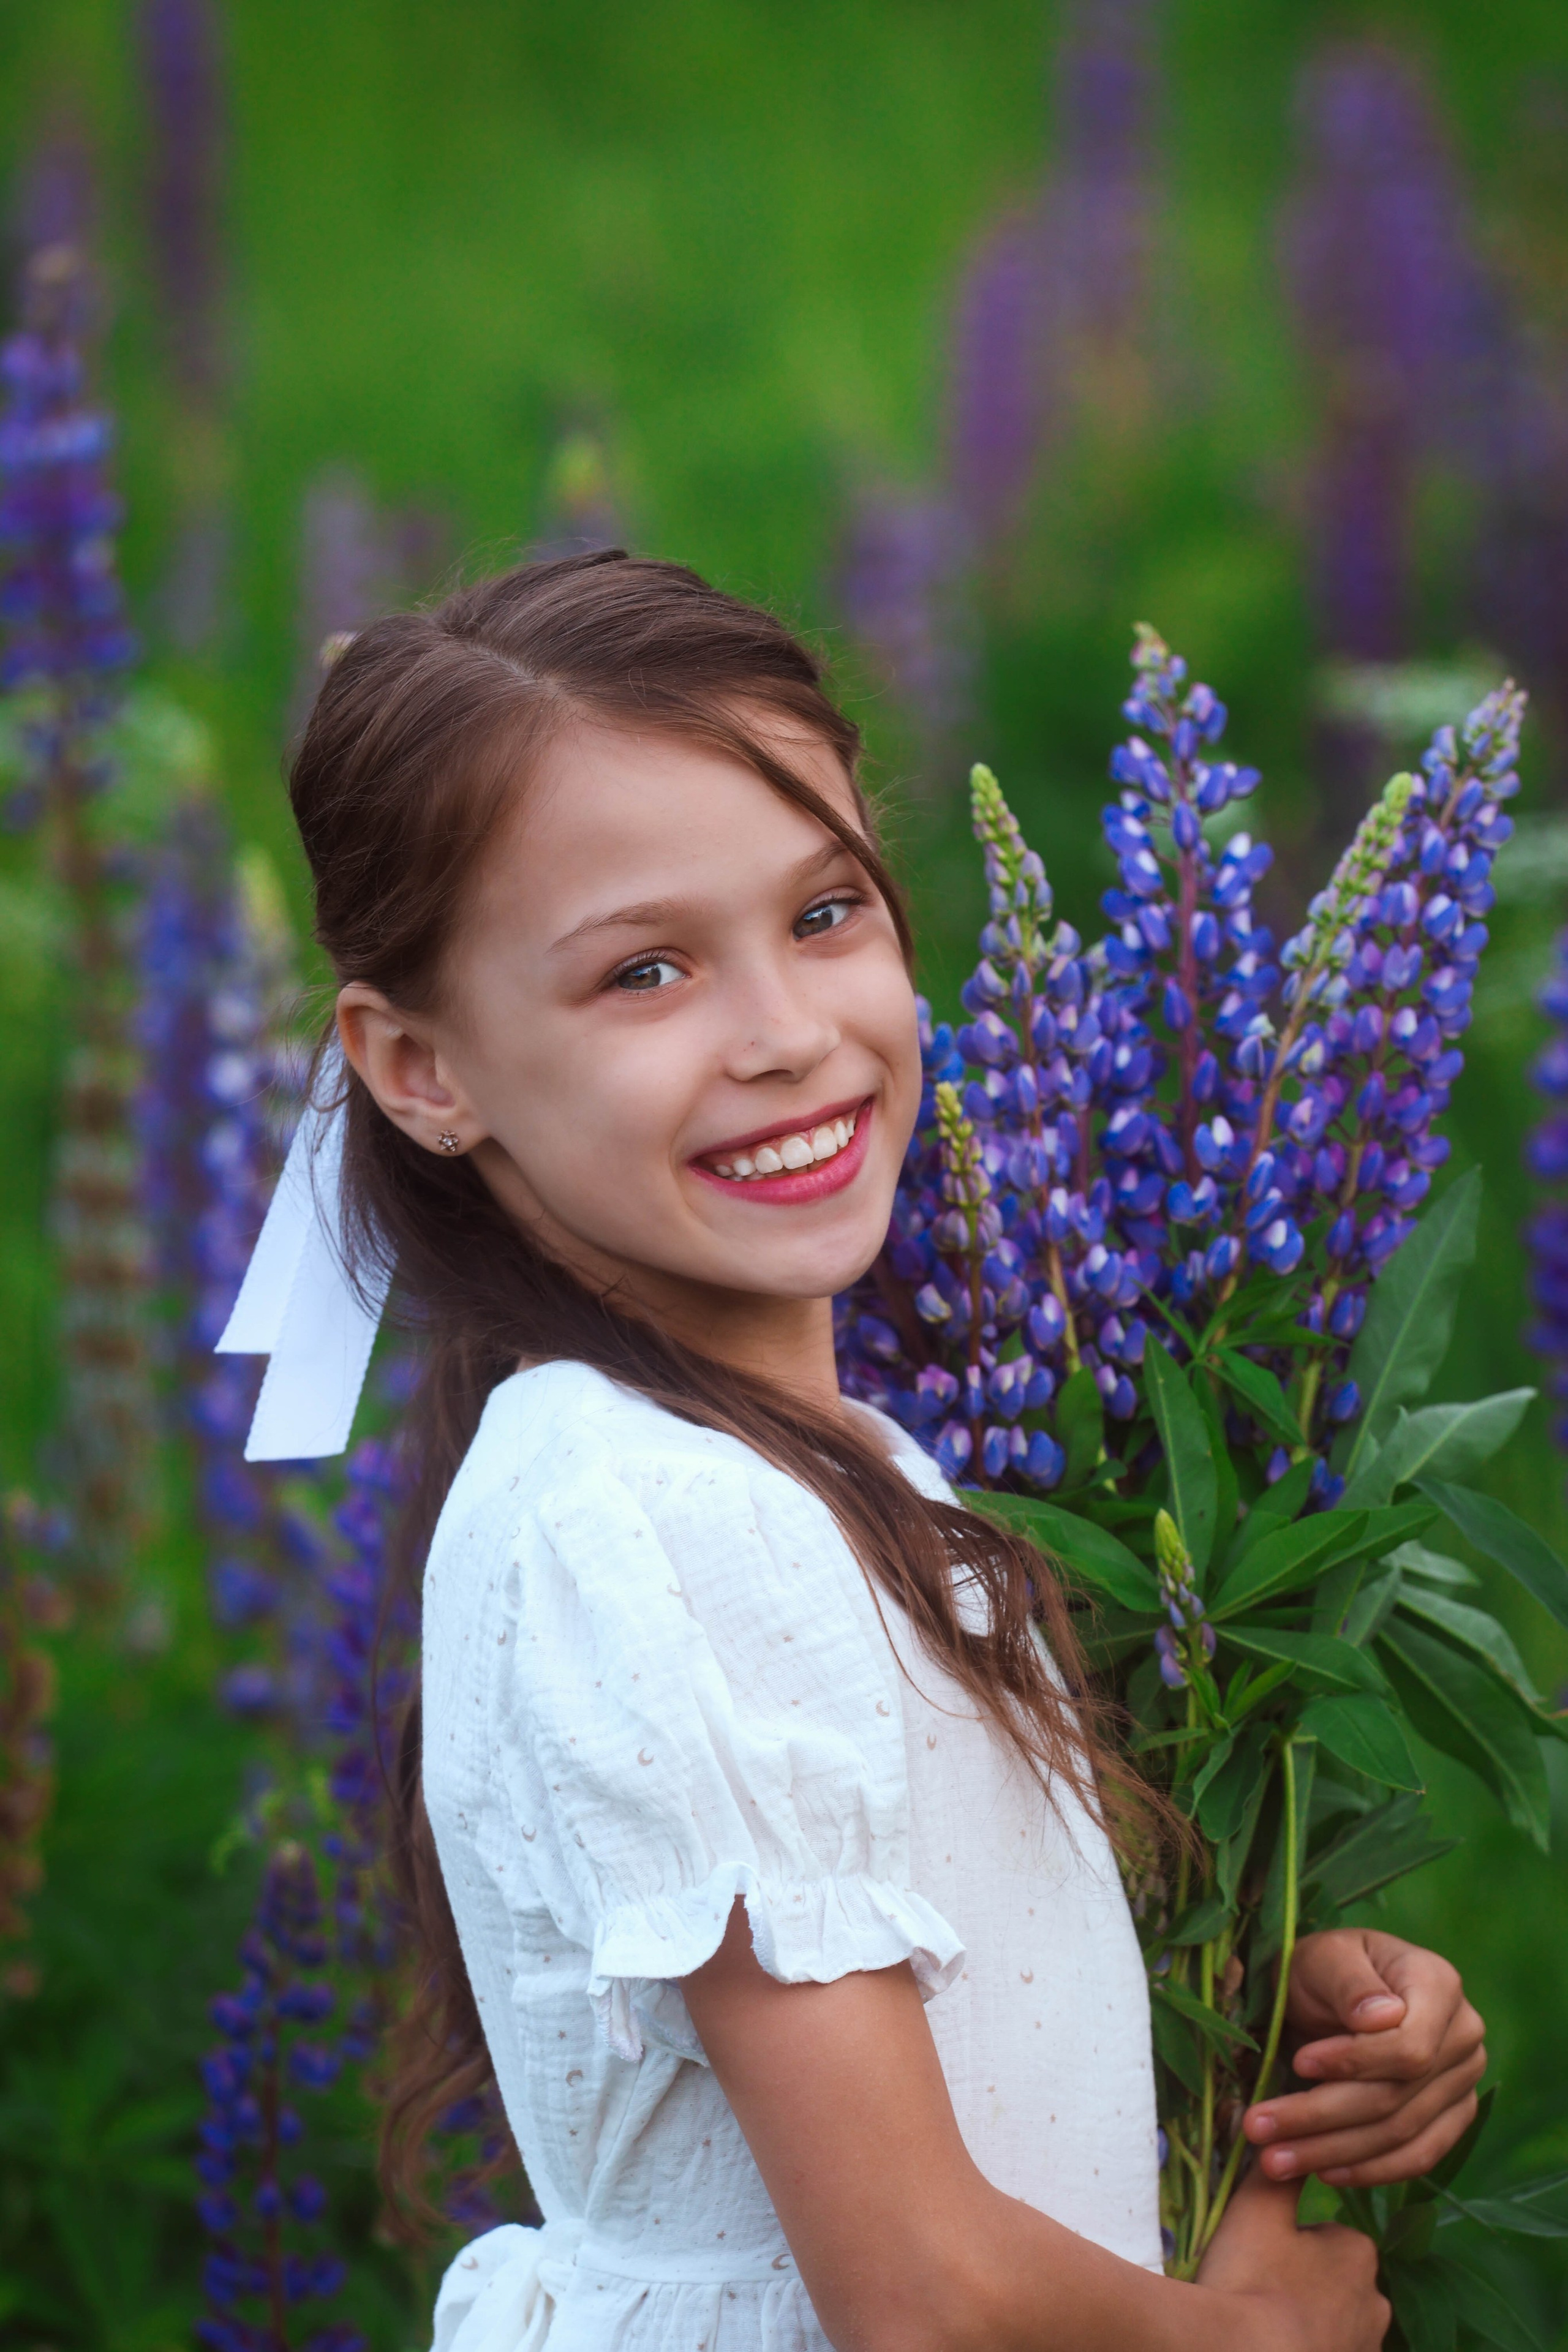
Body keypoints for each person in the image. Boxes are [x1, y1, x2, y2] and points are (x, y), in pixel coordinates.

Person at [281, 552, 1484, 2352]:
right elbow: (914, 2291)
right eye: (647, 971)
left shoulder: (815, 1472)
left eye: (826, 912)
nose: (788, 1035)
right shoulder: (655, 1515)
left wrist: (1271, 2005)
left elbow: (954, 2000)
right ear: (418, 1067)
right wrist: (1256, 2337)